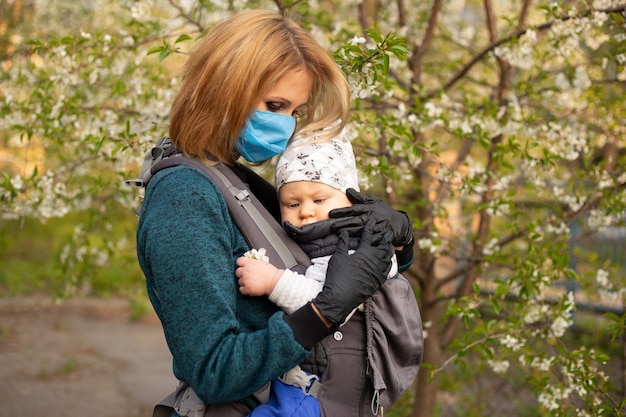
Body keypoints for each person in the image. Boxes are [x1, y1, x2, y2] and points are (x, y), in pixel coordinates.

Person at [136, 9, 414, 417]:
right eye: (274, 104)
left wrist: (397, 239)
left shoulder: (238, 180)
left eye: (294, 112)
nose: (283, 126)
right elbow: (215, 368)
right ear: (223, 88)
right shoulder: (185, 197)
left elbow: (320, 261)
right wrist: (323, 312)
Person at [235, 130, 412, 417]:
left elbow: (331, 300)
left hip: (327, 387)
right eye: (293, 204)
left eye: (319, 200)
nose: (305, 212)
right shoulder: (316, 241)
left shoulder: (355, 245)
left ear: (350, 201)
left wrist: (272, 281)